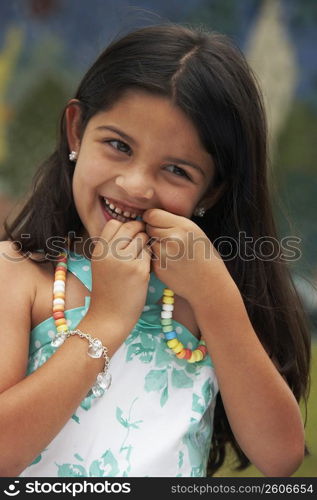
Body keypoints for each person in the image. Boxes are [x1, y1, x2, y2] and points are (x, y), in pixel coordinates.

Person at [0, 24, 311, 478]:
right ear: (76, 132)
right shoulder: (18, 275)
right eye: (118, 145)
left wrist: (215, 296)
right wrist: (107, 318)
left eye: (176, 170)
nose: (136, 185)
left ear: (212, 190)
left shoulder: (201, 293)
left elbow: (280, 458)